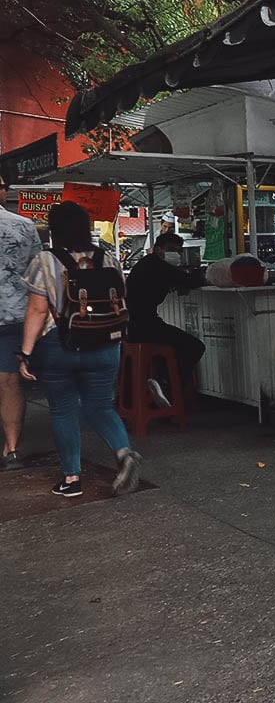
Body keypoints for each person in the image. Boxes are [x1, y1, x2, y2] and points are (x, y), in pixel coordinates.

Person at [17, 201, 141, 498]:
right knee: (100, 406)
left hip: (61, 347)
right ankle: (124, 452)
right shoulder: (108, 258)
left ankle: (72, 479)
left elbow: (36, 310)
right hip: (105, 345)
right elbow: (121, 303)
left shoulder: (45, 261)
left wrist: (25, 353)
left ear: (54, 229)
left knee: (63, 410)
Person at [125, 232, 206, 407]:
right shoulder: (159, 266)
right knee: (195, 347)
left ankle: (163, 385)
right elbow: (191, 281)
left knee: (173, 347)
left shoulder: (146, 264)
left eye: (178, 251)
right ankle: (167, 386)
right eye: (170, 250)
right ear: (158, 249)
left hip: (133, 326)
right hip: (144, 327)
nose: (174, 254)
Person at [0, 178, 43, 470]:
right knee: (10, 380)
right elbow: (38, 273)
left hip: (13, 315)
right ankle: (11, 449)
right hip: (14, 315)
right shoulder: (24, 226)